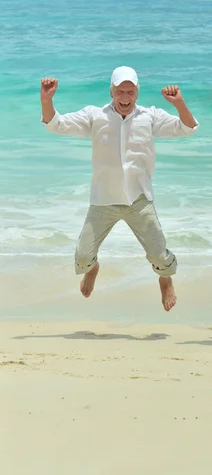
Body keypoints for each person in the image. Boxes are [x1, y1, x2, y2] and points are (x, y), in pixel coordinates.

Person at [40, 66, 199, 311]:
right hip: (104, 199)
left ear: (137, 92)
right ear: (111, 91)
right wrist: (46, 100)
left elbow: (187, 128)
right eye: (120, 91)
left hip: (139, 199)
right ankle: (93, 270)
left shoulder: (149, 116)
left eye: (130, 91)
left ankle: (165, 280)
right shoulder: (96, 116)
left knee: (159, 256)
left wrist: (179, 103)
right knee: (83, 257)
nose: (125, 97)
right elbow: (55, 124)